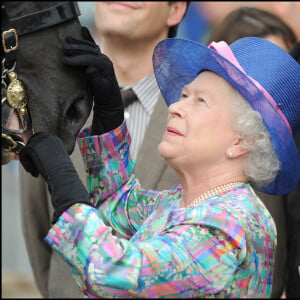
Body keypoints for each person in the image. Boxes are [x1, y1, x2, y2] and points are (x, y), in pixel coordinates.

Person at [18, 25, 300, 297]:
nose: (176, 107)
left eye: (200, 101)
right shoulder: (185, 203)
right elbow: (114, 207)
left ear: (243, 141)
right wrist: (108, 117)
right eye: (185, 95)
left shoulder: (230, 225)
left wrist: (60, 174)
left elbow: (113, 273)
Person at [18, 2, 189, 298]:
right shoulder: (49, 100)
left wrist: (66, 188)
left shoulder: (203, 116)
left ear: (175, 9)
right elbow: (38, 234)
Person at [207, 6, 298, 298]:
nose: (272, 88)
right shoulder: (192, 156)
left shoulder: (288, 158)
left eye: (284, 70)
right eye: (254, 73)